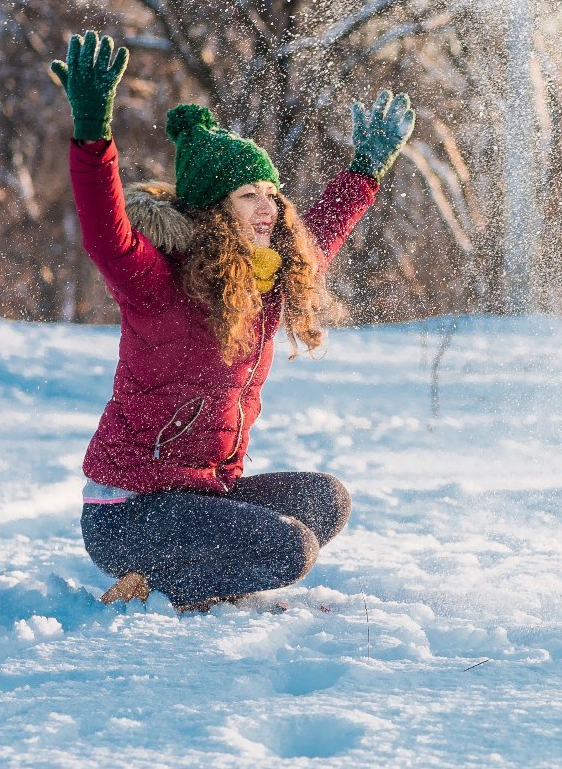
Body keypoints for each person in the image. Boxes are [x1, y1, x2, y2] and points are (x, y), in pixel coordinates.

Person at [50, 31, 414, 611]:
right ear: (216, 211)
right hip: (129, 511)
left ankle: (192, 575)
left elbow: (318, 239)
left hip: (201, 492)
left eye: (271, 192)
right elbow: (105, 235)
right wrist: (93, 135)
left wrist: (363, 172)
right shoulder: (158, 284)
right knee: (289, 552)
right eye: (249, 194)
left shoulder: (265, 279)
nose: (269, 206)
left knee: (325, 501)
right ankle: (161, 587)